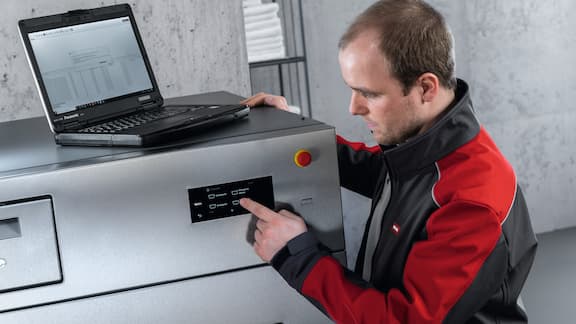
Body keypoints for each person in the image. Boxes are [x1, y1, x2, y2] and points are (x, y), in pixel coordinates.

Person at [239, 0, 538, 323]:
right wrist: (292, 132)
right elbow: (381, 171)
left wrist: (296, 255)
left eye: (369, 94)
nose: (353, 108)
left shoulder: (471, 204)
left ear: (425, 88)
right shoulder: (428, 151)